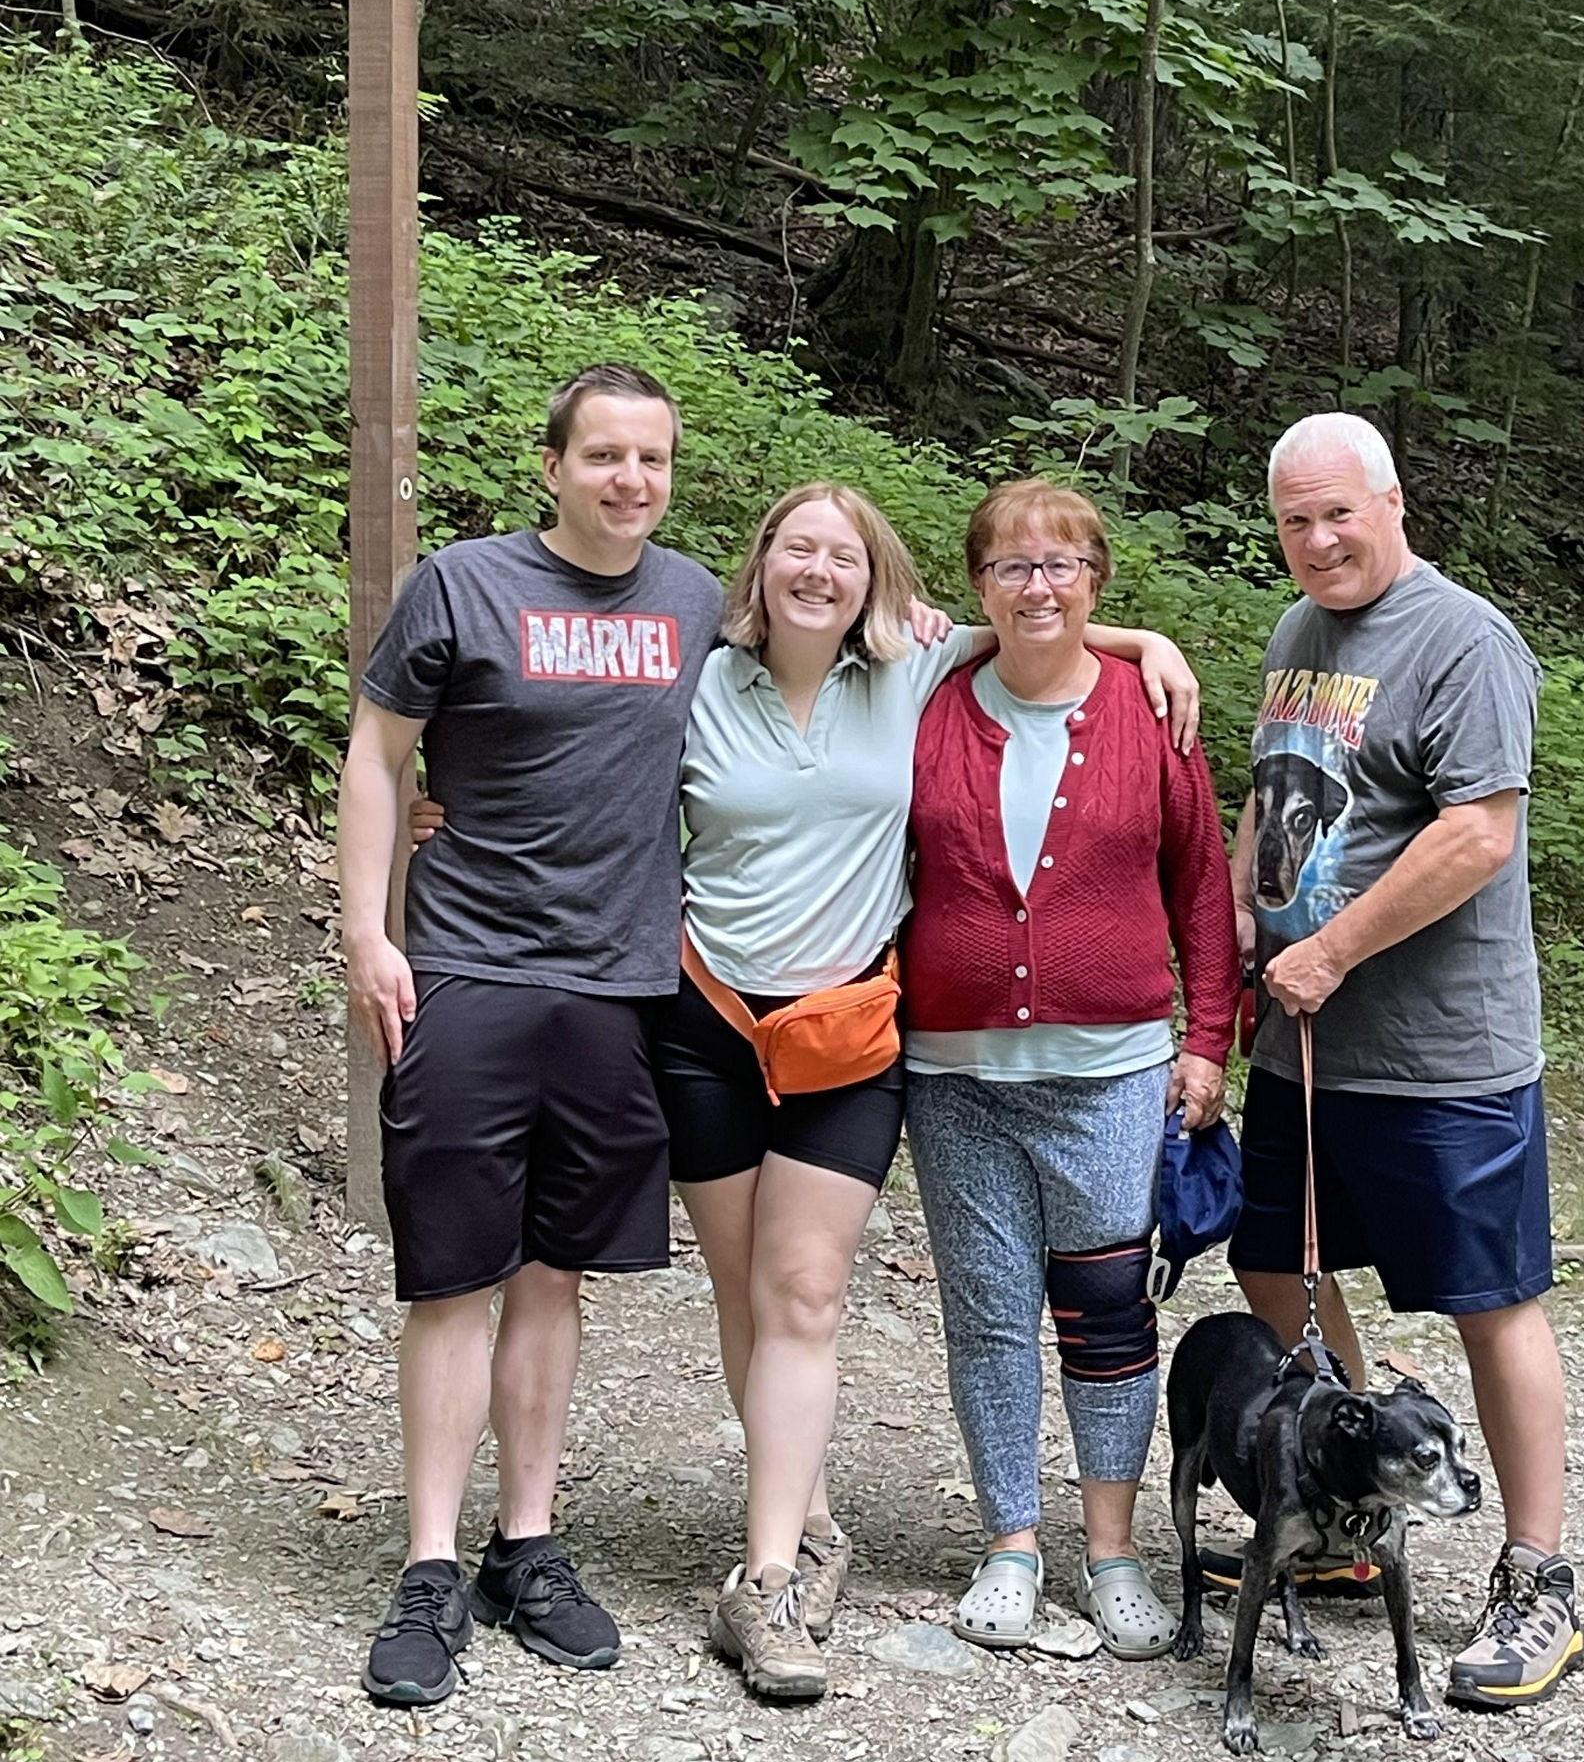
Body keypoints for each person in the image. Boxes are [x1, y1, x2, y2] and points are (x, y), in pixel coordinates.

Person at [643, 483, 1201, 1701]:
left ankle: (778, 1568)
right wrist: (455, 808)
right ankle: (806, 1523)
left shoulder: (906, 670)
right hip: (718, 1019)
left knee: (814, 1285)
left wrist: (1142, 641)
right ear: (761, 560)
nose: (818, 569)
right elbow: (590, 768)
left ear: (877, 581)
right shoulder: (700, 674)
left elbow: (1040, 624)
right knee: (754, 1288)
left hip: (854, 1031)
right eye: (797, 546)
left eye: (843, 554)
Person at [338, 364, 723, 1708]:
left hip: (618, 988)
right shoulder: (463, 583)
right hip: (466, 969)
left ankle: (529, 1546)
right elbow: (380, 756)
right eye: (605, 455)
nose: (631, 480)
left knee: (557, 1273)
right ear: (552, 464)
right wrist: (370, 932)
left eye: (653, 460)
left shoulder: (693, 603)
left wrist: (1129, 644)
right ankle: (431, 1564)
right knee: (454, 1272)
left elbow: (851, 636)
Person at [1225, 411, 1584, 1713]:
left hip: (1445, 1061)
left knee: (1491, 1303)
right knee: (1268, 1260)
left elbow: (1476, 836)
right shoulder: (1299, 632)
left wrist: (1331, 948)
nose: (1318, 541)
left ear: (1392, 502)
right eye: (1294, 521)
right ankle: (1350, 1485)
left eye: (1338, 514)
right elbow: (1276, 794)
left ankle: (1538, 1582)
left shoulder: (1466, 641)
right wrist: (1236, 918)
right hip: (1306, 1048)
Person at [900, 479, 1239, 1659]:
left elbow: (1201, 885)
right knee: (987, 1313)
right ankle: (1008, 1540)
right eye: (1010, 565)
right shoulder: (931, 701)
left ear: (1096, 577)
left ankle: (1110, 1548)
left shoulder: (1152, 714)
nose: (1036, 586)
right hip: (951, 1075)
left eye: (1060, 565)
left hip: (1109, 1071)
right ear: (976, 585)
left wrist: (1207, 1041)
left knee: (1104, 1314)